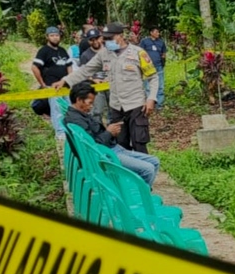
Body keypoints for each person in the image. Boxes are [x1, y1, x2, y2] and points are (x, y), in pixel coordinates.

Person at [53, 22, 159, 154]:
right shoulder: (104, 54)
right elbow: (86, 70)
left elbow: (153, 77)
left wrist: (151, 98)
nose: (107, 41)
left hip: (136, 106)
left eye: (110, 38)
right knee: (120, 144)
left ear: (120, 36)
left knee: (139, 143)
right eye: (105, 38)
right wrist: (66, 80)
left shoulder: (138, 53)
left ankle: (144, 172)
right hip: (116, 107)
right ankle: (125, 174)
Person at [64, 81, 159, 187]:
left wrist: (111, 132)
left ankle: (140, 194)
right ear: (78, 100)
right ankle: (139, 198)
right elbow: (91, 146)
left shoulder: (80, 114)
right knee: (148, 169)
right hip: (106, 154)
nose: (91, 106)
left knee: (154, 161)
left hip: (112, 148)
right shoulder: (76, 120)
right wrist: (109, 132)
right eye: (89, 102)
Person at [31, 26, 72, 138]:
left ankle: (70, 130)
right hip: (51, 86)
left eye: (57, 35)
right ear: (47, 37)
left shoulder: (63, 51)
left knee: (69, 108)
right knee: (57, 109)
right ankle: (60, 133)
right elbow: (35, 67)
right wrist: (43, 84)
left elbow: (69, 66)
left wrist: (69, 79)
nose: (55, 38)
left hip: (65, 86)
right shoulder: (43, 51)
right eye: (52, 36)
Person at [79, 28, 109, 122]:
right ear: (88, 41)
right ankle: (97, 132)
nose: (95, 41)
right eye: (92, 39)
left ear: (101, 38)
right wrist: (93, 79)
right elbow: (84, 72)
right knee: (97, 111)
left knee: (114, 109)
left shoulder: (109, 51)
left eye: (96, 38)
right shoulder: (85, 55)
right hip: (96, 86)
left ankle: (114, 133)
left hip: (110, 84)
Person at [139, 26, 167, 110]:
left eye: (158, 32)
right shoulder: (144, 41)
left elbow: (164, 54)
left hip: (159, 66)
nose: (158, 33)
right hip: (148, 67)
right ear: (151, 33)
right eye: (156, 32)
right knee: (147, 86)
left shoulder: (161, 42)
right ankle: (149, 104)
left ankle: (159, 104)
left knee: (160, 85)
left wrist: (163, 62)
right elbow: (141, 53)